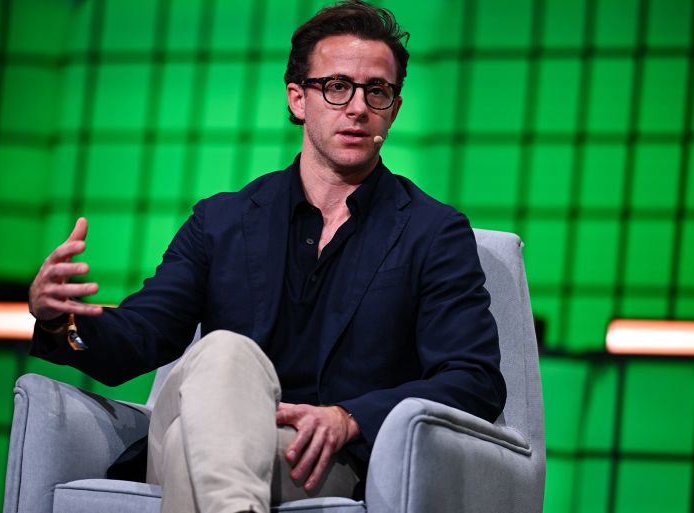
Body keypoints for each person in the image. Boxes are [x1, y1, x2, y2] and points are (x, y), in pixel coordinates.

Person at [27, 1, 507, 512]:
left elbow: (472, 378)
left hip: (313, 455)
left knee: (206, 447)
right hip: (193, 429)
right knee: (225, 352)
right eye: (337, 86)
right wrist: (61, 321)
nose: (358, 107)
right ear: (298, 99)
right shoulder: (221, 220)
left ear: (394, 108)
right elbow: (143, 336)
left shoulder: (432, 232)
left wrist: (349, 417)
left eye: (378, 91)